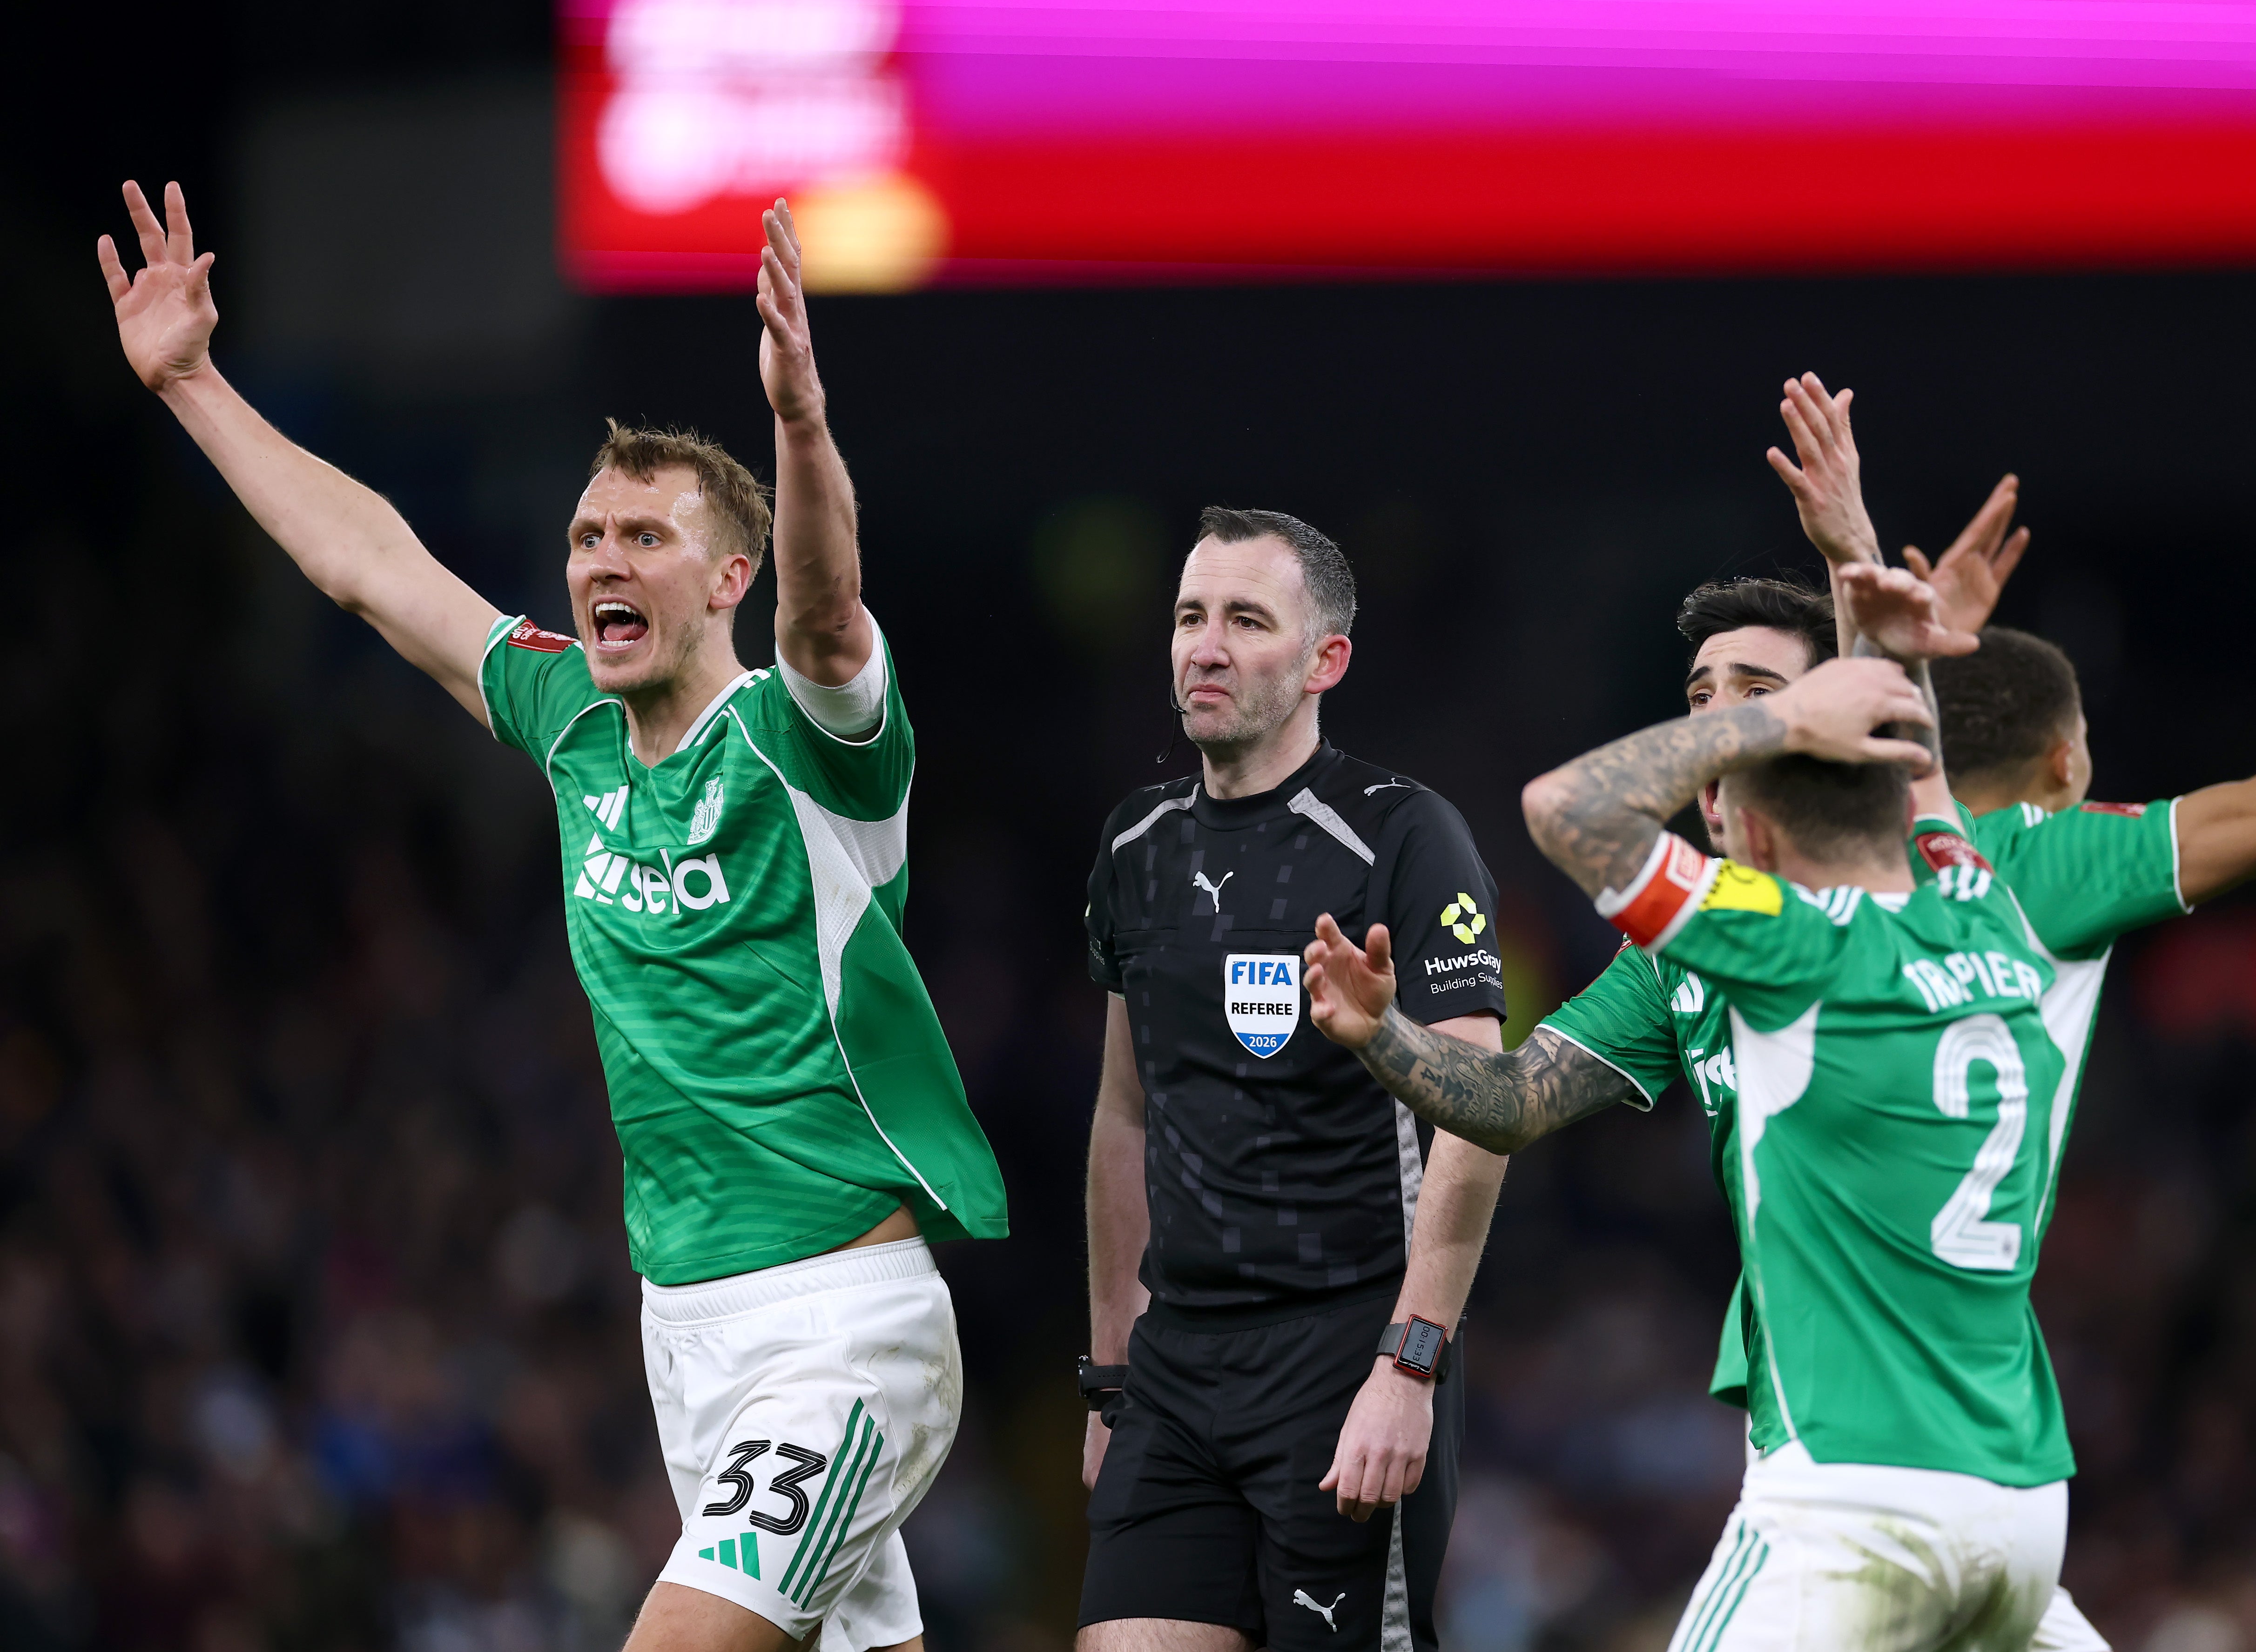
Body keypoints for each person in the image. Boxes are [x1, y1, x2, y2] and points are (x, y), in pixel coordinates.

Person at [100, 183, 1005, 1652]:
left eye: (643, 535)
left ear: (726, 578)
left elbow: (830, 615)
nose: (598, 560)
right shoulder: (574, 722)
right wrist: (194, 382)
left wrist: (799, 424)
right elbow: (375, 569)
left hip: (842, 1327)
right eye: (587, 535)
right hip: (687, 1336)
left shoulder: (811, 744)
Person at [1308, 564, 2097, 1648]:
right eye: (1698, 699)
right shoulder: (1952, 907)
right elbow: (1507, 1101)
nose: (1721, 721)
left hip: (1846, 1475)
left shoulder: (1793, 924)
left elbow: (1573, 810)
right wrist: (1383, 1036)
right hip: (1997, 1482)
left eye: (1758, 694)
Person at [1078, 508, 1508, 1652]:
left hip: (1345, 1353)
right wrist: (1109, 1374)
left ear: (1326, 660)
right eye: (1188, 616)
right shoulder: (1134, 844)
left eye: (1244, 619)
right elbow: (1125, 1115)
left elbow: (1478, 1115)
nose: (1203, 646)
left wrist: (1409, 1364)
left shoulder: (1406, 837)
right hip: (1175, 1368)